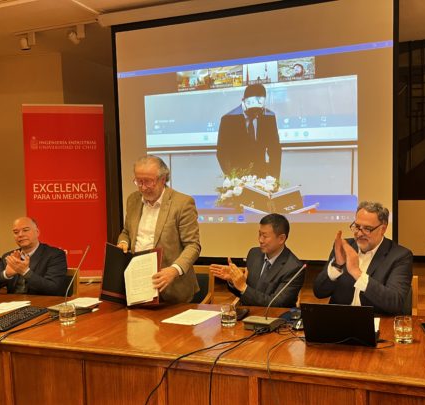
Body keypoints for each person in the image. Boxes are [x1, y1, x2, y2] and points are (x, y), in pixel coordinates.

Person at [117, 155, 201, 304]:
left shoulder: (182, 203)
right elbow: (127, 232)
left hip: (173, 290)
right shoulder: (133, 200)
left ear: (163, 179)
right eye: (139, 181)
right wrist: (123, 242)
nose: (143, 187)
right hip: (138, 286)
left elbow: (193, 246)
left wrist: (174, 270)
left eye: (148, 181)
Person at [313, 201, 413, 315]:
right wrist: (337, 266)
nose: (359, 234)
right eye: (357, 227)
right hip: (340, 319)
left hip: (374, 320)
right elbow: (319, 292)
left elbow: (395, 303)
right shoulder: (345, 247)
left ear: (383, 229)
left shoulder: (400, 256)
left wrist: (357, 273)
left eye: (367, 228)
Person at [210, 213, 304, 308]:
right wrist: (234, 281)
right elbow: (245, 295)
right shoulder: (254, 254)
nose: (260, 240)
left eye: (265, 236)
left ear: (281, 239)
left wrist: (243, 287)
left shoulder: (294, 268)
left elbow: (276, 304)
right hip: (248, 313)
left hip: (275, 315)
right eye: (259, 234)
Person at [0, 217, 67, 296]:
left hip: (41, 303)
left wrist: (26, 272)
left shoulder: (54, 255)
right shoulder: (9, 257)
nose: (20, 235)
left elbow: (54, 288)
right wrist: (6, 274)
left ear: (37, 232)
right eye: (16, 232)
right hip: (13, 303)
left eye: (25, 230)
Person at [216, 83, 282, 179]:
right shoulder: (228, 119)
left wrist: (274, 177)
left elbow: (275, 149)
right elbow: (222, 152)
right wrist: (232, 177)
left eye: (259, 110)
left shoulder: (268, 117)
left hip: (261, 177)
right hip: (237, 177)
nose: (255, 114)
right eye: (252, 110)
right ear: (243, 100)